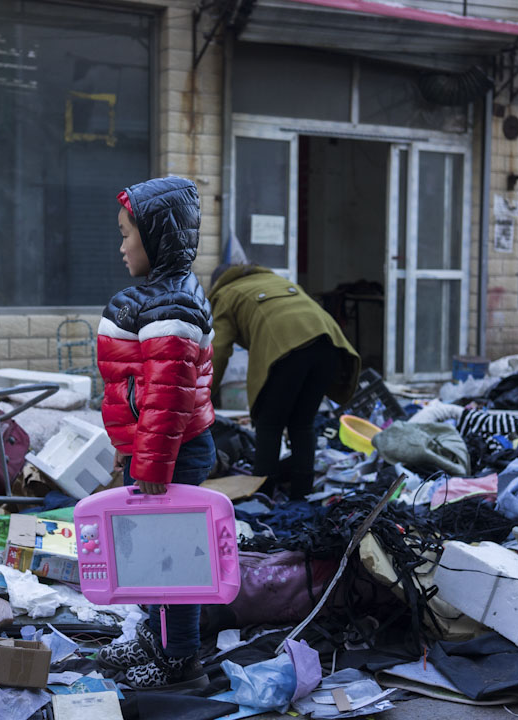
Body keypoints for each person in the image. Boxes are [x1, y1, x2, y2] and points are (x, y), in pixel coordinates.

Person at [94, 176, 216, 690]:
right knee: (150, 554)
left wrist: (150, 466)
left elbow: (168, 397)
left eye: (128, 235)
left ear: (158, 237)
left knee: (173, 565)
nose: (121, 247)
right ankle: (155, 633)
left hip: (172, 452)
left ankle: (180, 661)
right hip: (157, 450)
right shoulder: (159, 296)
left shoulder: (171, 308)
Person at [209, 264, 361, 499]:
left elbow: (218, 350)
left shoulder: (225, 294)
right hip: (330, 345)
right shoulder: (277, 282)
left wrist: (204, 396)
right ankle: (302, 495)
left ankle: (263, 496)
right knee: (302, 423)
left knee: (269, 424)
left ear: (217, 283)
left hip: (287, 351)